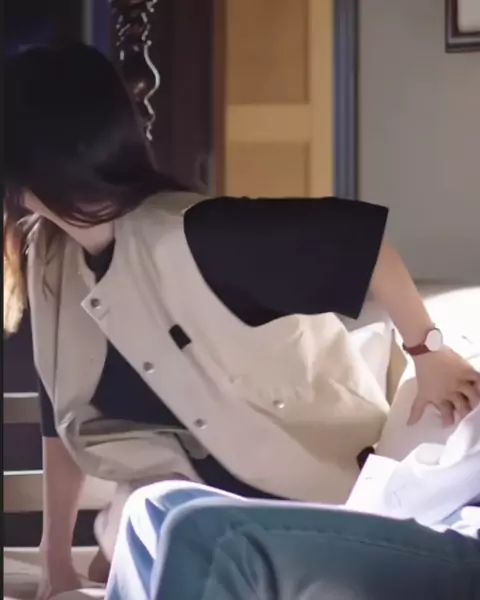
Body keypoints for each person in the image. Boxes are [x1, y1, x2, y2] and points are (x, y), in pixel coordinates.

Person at [4, 43, 479, 600]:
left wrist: (429, 352)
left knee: (164, 521)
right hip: (175, 512)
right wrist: (55, 558)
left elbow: (364, 246)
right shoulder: (49, 259)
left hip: (307, 508)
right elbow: (60, 416)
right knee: (147, 515)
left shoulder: (199, 235)